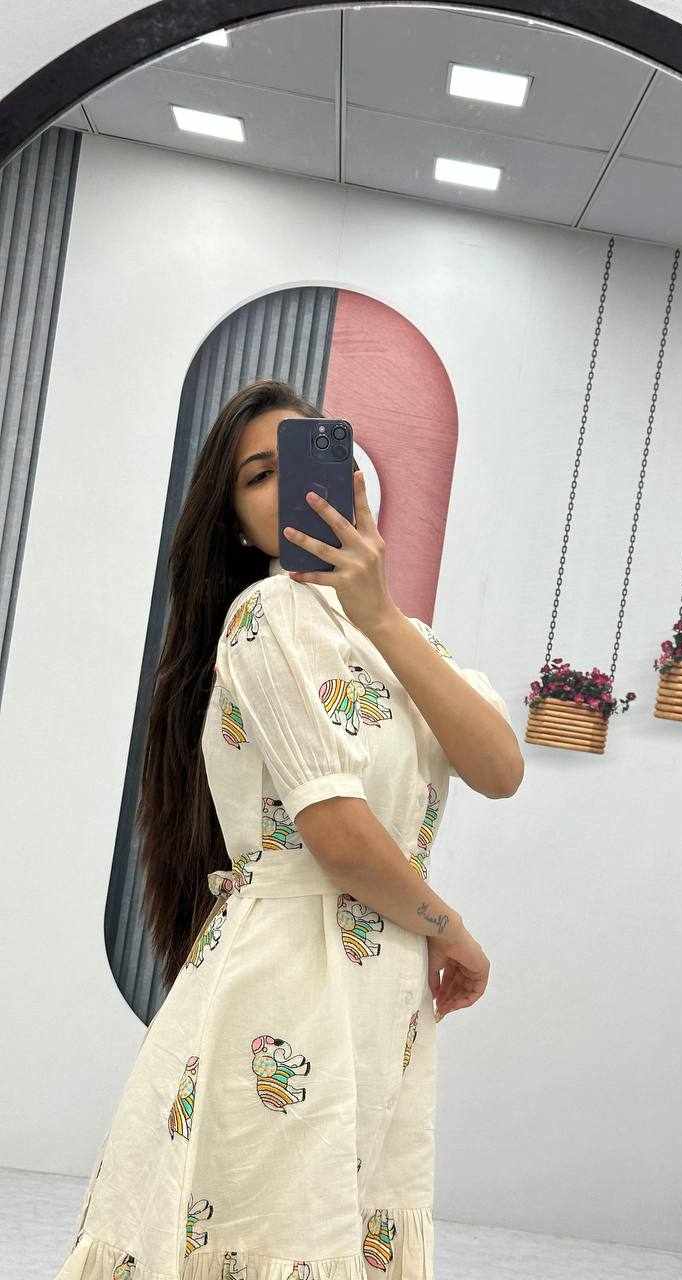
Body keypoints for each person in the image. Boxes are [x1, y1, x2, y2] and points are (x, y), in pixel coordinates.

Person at [55, 378, 523, 1280]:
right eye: (259, 474)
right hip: (291, 974)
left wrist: (379, 614)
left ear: (354, 479)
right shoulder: (264, 616)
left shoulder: (415, 642)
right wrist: (450, 928)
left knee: (335, 1232)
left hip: (383, 991)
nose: (292, 484)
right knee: (276, 1235)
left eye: (311, 457)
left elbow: (499, 769)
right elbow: (337, 834)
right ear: (235, 521)